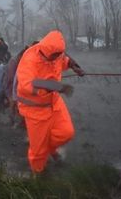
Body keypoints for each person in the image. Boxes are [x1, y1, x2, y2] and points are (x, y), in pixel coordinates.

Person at [16, 30, 85, 174]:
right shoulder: (29, 59)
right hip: (35, 109)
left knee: (67, 133)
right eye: (54, 55)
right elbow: (28, 84)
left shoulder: (56, 54)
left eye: (58, 54)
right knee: (38, 153)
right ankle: (38, 176)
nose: (56, 58)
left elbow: (63, 60)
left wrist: (74, 65)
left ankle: (49, 149)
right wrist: (56, 86)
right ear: (45, 51)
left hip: (54, 103)